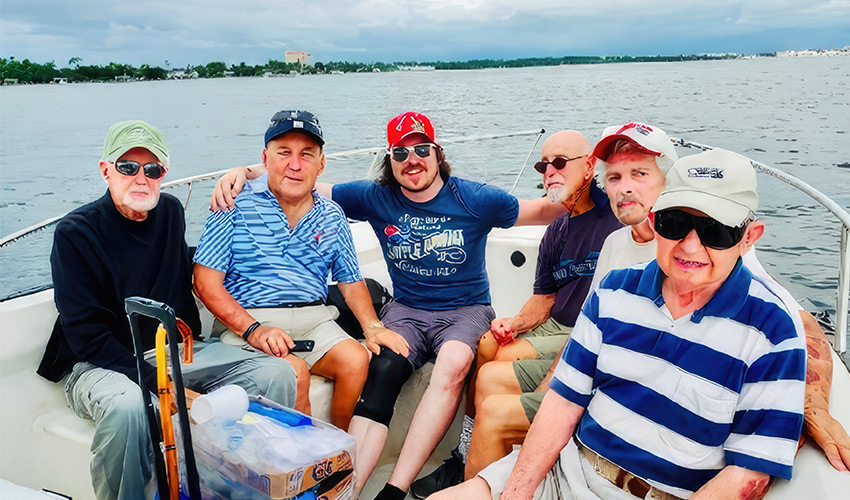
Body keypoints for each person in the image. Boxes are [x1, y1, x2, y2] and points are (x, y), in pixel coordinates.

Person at [209, 111, 569, 499]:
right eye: (400, 153)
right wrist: (243, 173)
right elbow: (304, 179)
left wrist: (590, 190)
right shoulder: (375, 197)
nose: (412, 160)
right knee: (381, 367)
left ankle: (395, 488)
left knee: (452, 362)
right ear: (390, 159)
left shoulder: (476, 199)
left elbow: (543, 210)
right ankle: (346, 489)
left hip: (465, 310)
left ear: (437, 153)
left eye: (421, 150)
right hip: (406, 310)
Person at [431, 148, 808, 500]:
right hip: (565, 471)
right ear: (656, 221)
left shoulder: (773, 331)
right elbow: (563, 403)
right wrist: (516, 493)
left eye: (717, 231)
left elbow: (748, 473)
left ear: (748, 237)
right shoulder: (615, 289)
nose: (691, 246)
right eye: (675, 223)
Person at [36, 120, 298, 500]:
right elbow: (86, 337)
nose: (141, 178)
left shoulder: (170, 211)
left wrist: (241, 174)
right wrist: (158, 383)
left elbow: (190, 268)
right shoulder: (76, 233)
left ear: (164, 173)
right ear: (105, 170)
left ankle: (239, 489)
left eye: (153, 169)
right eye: (128, 166)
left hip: (175, 352)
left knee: (276, 373)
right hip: (100, 363)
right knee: (128, 408)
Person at [590, 122, 850, 473]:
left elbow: (798, 323)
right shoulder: (613, 246)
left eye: (640, 174)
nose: (625, 188)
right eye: (615, 177)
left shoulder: (715, 251)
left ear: (670, 182)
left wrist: (812, 405)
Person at [410, 130, 621, 498]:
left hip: (581, 331)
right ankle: (467, 452)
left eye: (560, 163)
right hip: (556, 323)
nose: (550, 172)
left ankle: (482, 459)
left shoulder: (615, 220)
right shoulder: (557, 230)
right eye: (544, 166)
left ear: (589, 167)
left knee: (493, 374)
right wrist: (514, 323)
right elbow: (543, 299)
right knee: (489, 343)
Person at [193, 110, 382, 431]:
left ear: (321, 164)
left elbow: (350, 281)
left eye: (306, 154)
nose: (295, 164)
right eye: (284, 153)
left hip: (315, 321)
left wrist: (373, 326)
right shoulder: (232, 205)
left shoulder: (332, 214)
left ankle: (338, 445)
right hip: (248, 322)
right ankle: (301, 454)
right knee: (294, 372)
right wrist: (254, 330)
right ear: (265, 159)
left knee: (356, 359)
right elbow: (205, 283)